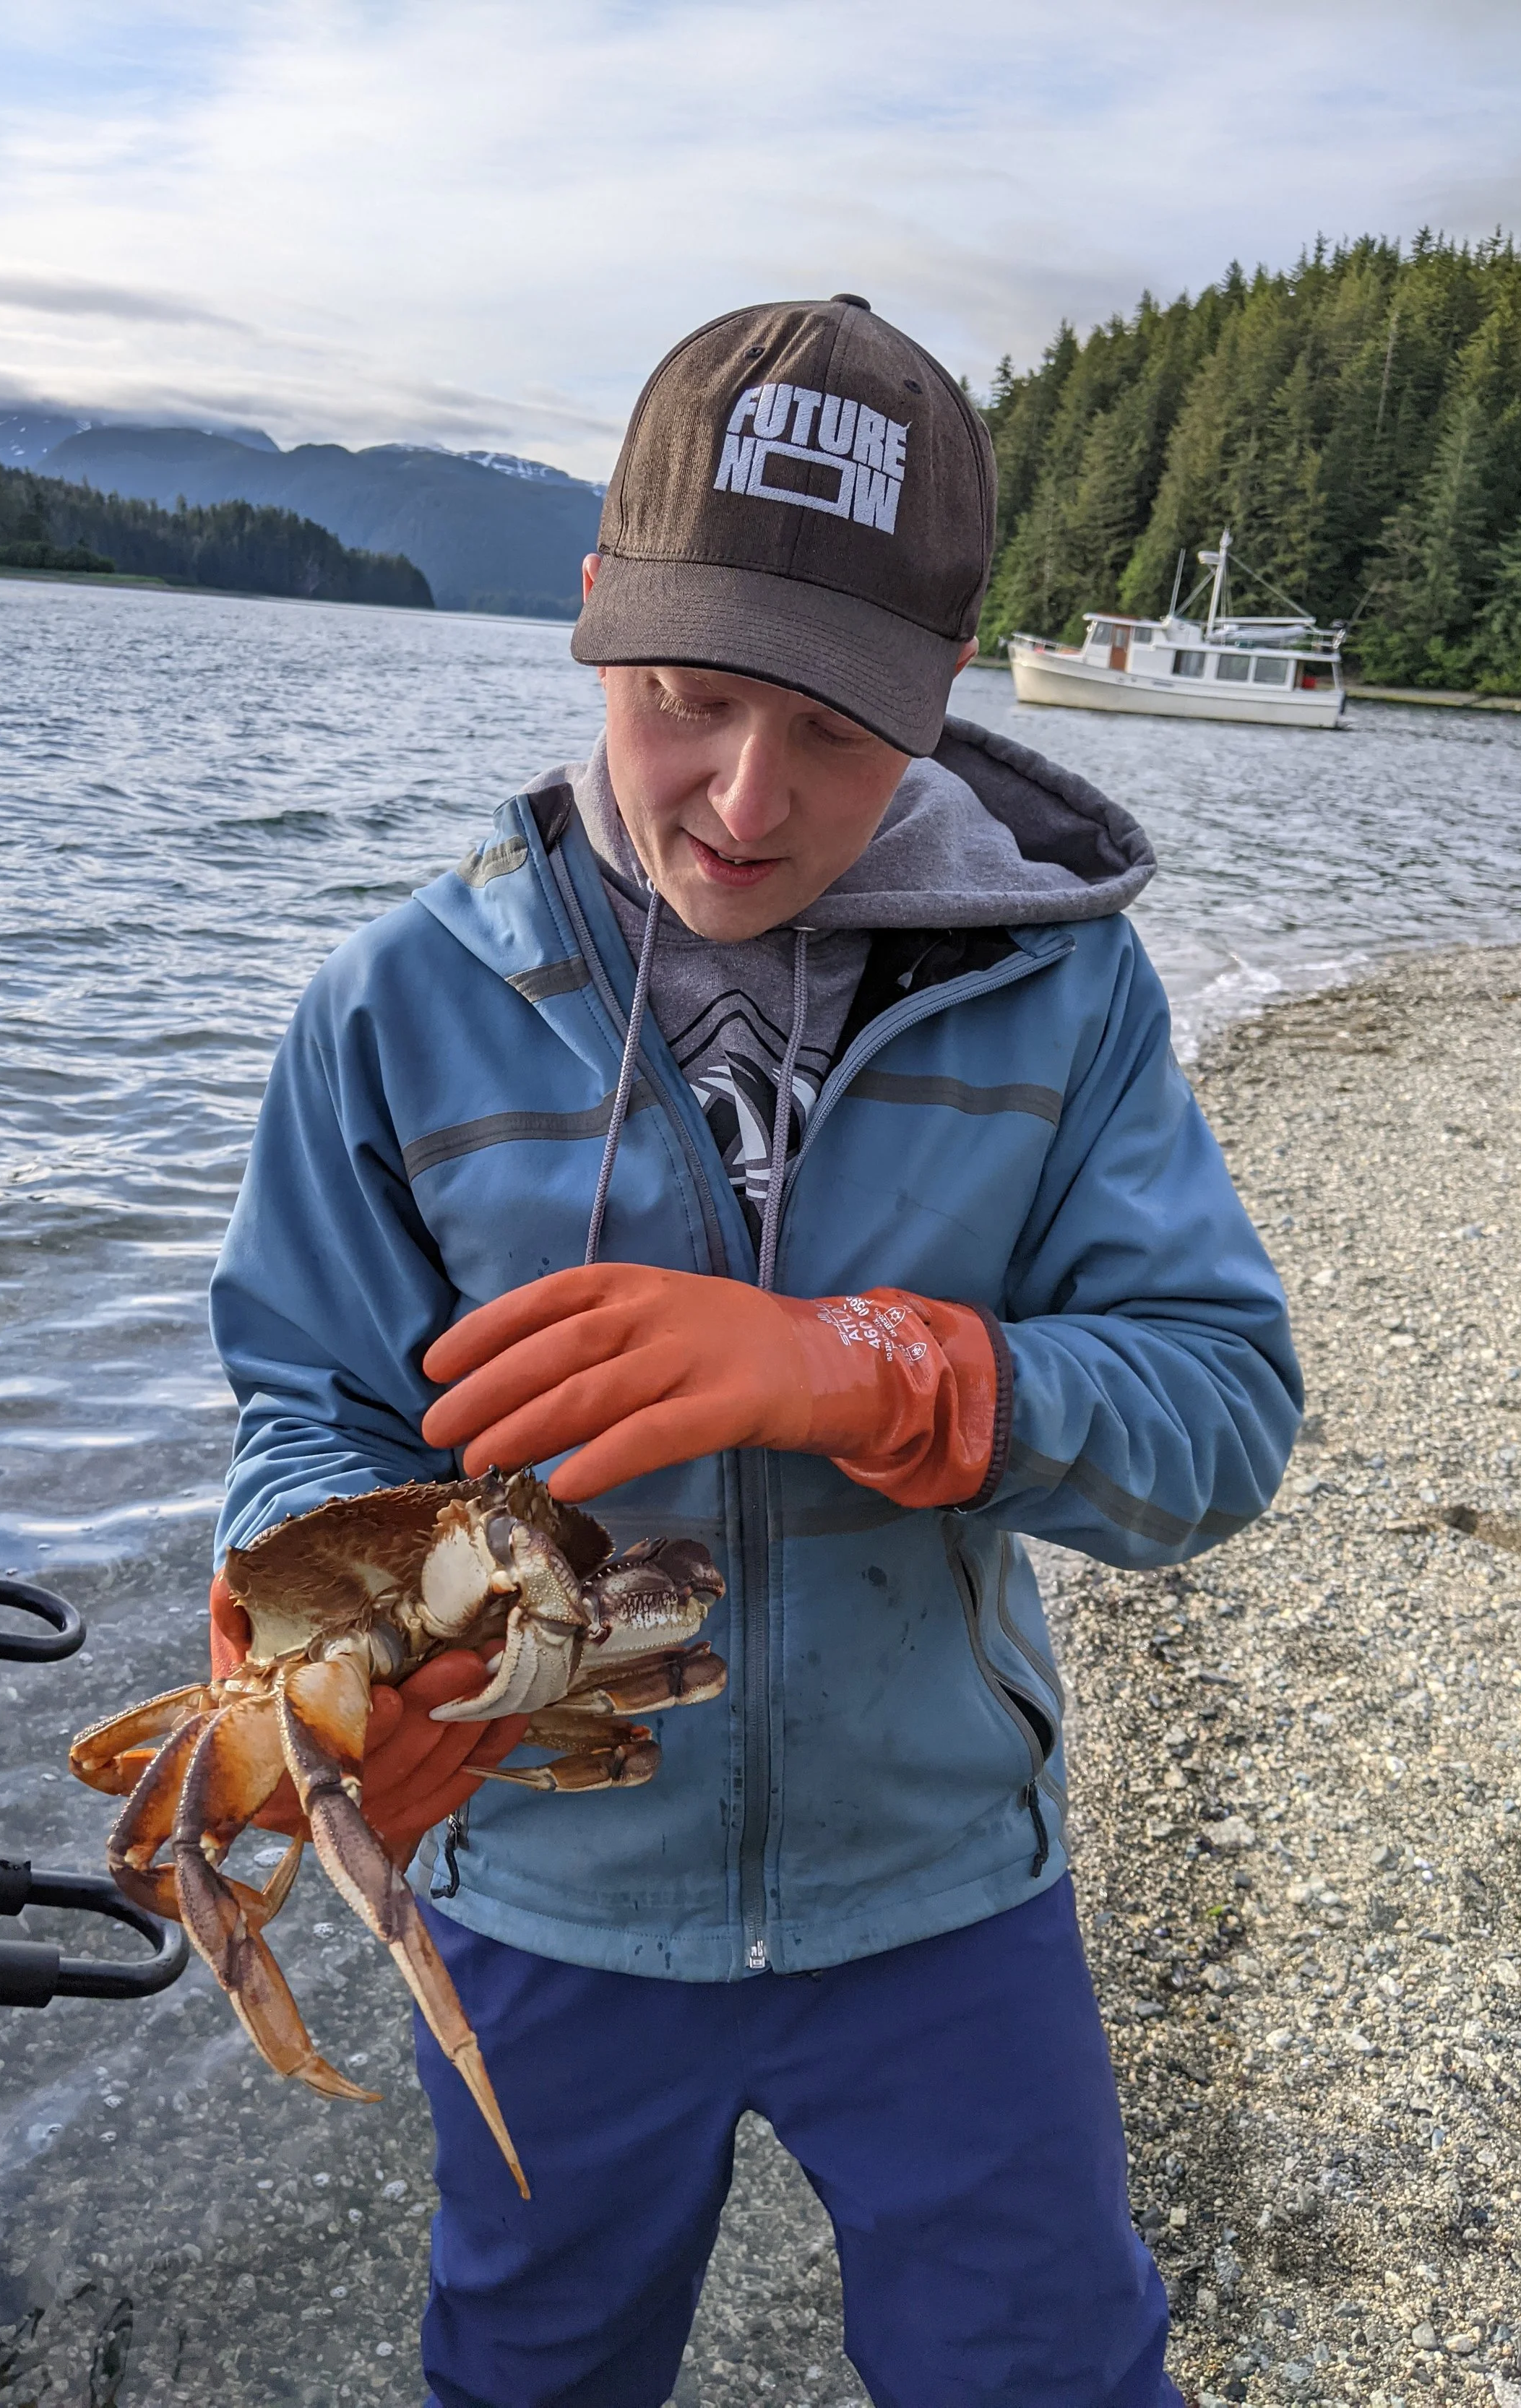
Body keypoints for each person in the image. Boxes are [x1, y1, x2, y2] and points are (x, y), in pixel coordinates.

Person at [208, 295, 1301, 2408]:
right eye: (692, 698)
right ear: (596, 609)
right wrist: (311, 1641)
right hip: (543, 1898)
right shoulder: (389, 1009)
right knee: (526, 2368)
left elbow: (1221, 1413)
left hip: (942, 1892)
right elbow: (306, 1403)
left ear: (941, 693)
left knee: (1051, 2374)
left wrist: (877, 1369)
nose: (743, 792)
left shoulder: (1063, 1003)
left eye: (831, 728)